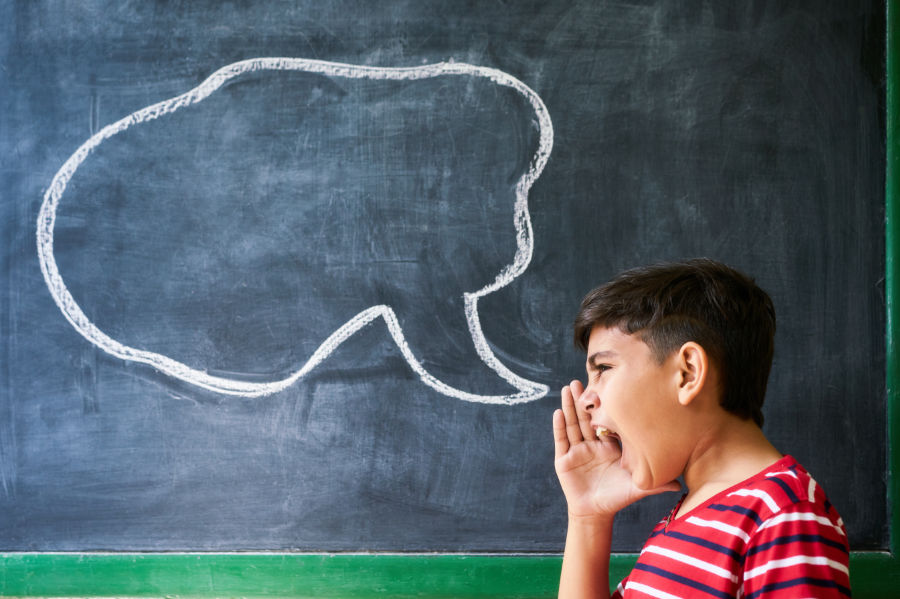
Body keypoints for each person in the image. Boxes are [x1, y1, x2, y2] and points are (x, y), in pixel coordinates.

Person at [553, 259, 851, 598]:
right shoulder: (686, 519)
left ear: (688, 373)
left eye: (603, 368)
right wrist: (587, 516)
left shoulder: (784, 516)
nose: (586, 398)